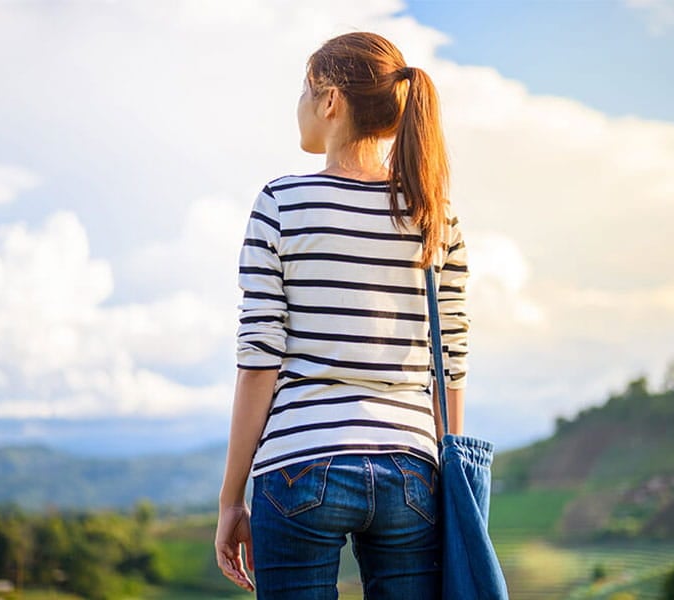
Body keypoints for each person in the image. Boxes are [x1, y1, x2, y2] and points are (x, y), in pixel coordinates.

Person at [215, 31, 469, 599]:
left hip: (299, 463)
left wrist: (232, 500)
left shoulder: (280, 203)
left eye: (304, 92)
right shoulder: (436, 216)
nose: (298, 107)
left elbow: (260, 362)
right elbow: (449, 362)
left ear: (330, 100)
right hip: (411, 469)